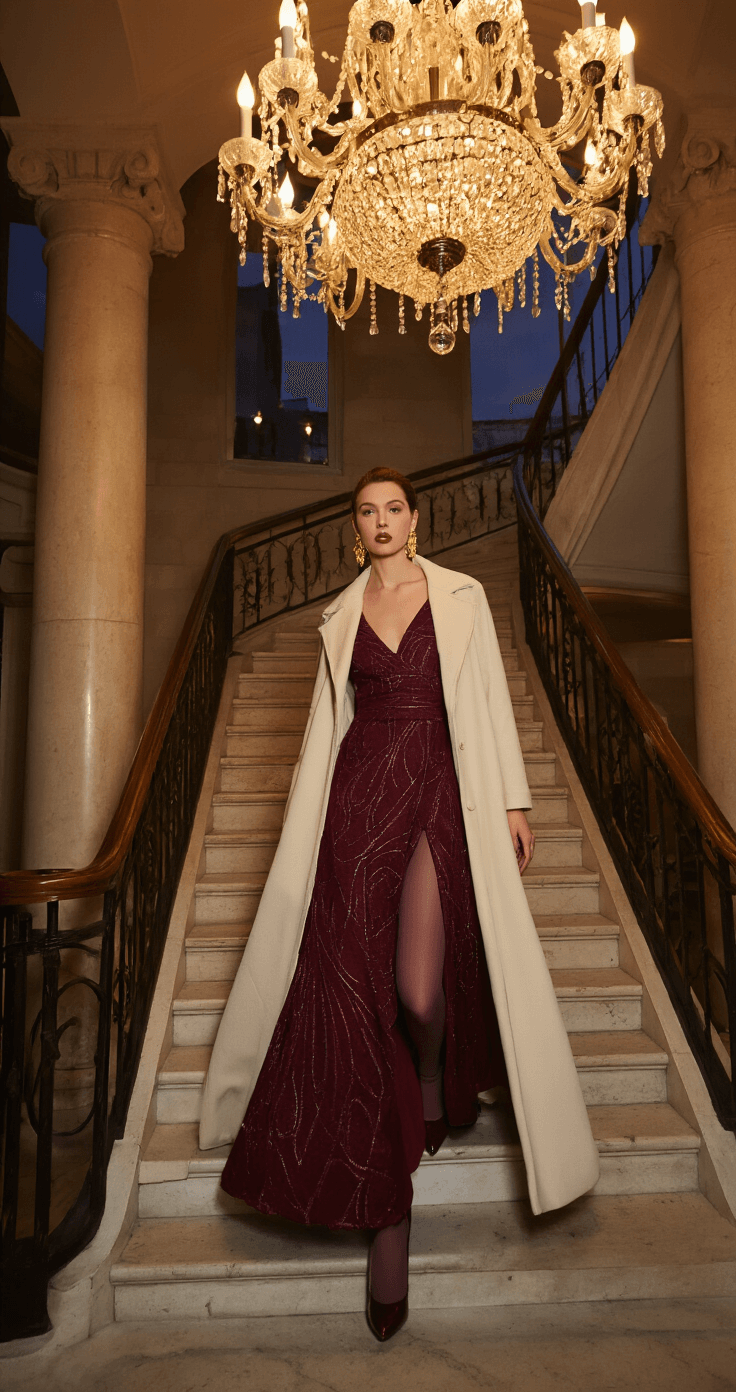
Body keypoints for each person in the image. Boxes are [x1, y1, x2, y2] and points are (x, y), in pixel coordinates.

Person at [199, 466, 600, 1341]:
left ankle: (430, 1073)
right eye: (366, 512)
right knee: (353, 997)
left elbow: (490, 703)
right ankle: (390, 1220)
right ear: (356, 528)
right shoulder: (337, 617)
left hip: (438, 795)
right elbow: (323, 728)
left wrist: (515, 801)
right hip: (355, 805)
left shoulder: (460, 595)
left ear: (413, 519)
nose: (380, 522)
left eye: (392, 509)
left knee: (420, 992)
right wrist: (304, 827)